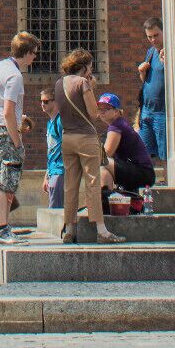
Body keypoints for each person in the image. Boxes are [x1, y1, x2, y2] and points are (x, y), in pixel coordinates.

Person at [55, 49, 120, 244]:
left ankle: (69, 228)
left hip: (67, 138)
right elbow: (93, 113)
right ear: (84, 67)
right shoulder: (83, 83)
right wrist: (91, 87)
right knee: (93, 182)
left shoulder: (59, 83)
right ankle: (101, 230)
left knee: (70, 184)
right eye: (90, 66)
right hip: (85, 138)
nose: (91, 69)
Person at [0, 32, 36, 244]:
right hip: (4, 131)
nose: (34, 59)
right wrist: (16, 140)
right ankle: (3, 230)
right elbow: (8, 111)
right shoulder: (15, 75)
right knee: (3, 183)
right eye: (34, 54)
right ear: (27, 52)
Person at [100, 94, 156, 210]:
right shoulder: (119, 124)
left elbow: (105, 155)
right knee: (102, 165)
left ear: (116, 111)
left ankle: (106, 202)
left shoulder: (117, 126)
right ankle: (107, 201)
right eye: (100, 108)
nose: (102, 111)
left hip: (143, 173)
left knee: (101, 163)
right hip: (141, 171)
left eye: (106, 108)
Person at [136, 17, 167, 165]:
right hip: (147, 110)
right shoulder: (150, 52)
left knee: (165, 153)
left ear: (164, 32)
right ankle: (148, 184)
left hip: (162, 111)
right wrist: (142, 73)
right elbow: (148, 82)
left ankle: (169, 182)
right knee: (144, 153)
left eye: (156, 35)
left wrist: (166, 63)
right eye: (149, 37)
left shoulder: (168, 52)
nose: (153, 40)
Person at [39, 88, 63, 212]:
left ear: (56, 102)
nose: (43, 104)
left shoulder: (60, 121)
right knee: (53, 209)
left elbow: (66, 146)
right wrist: (46, 176)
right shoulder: (50, 123)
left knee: (55, 211)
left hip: (60, 170)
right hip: (53, 171)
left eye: (46, 101)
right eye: (41, 101)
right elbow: (51, 152)